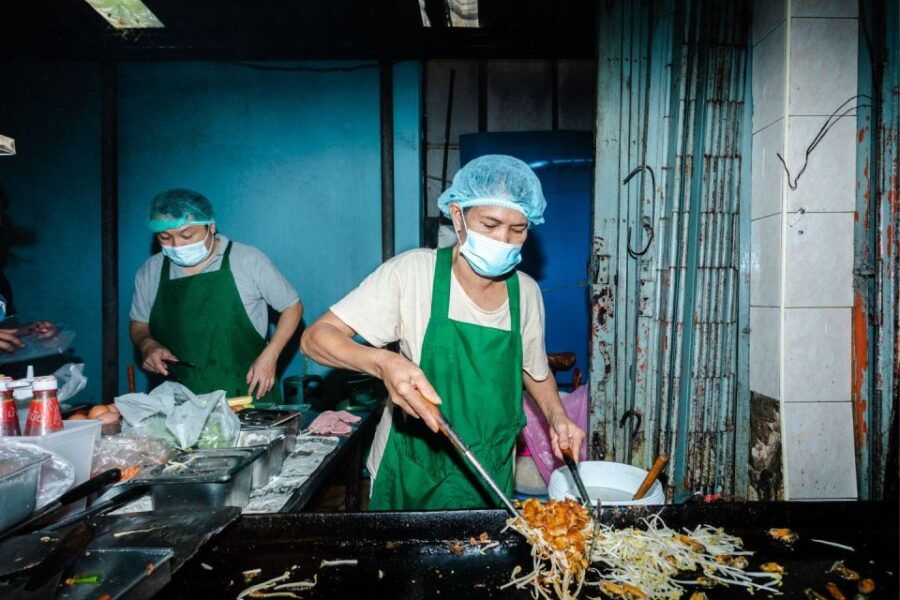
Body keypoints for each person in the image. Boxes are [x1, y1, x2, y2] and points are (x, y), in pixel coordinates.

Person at [301, 155, 585, 510]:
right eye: (491, 224)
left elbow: (534, 369)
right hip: (412, 469)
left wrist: (558, 417)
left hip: (490, 471)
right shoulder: (413, 274)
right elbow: (315, 338)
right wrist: (382, 362)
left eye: (518, 229)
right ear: (458, 215)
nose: (504, 239)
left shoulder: (525, 291)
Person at [130, 189, 302, 401]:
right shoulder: (151, 270)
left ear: (210, 226)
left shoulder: (247, 260)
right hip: (177, 401)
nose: (177, 246)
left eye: (187, 235)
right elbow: (139, 324)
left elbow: (292, 307)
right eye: (165, 238)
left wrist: (270, 355)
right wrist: (148, 345)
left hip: (245, 392)